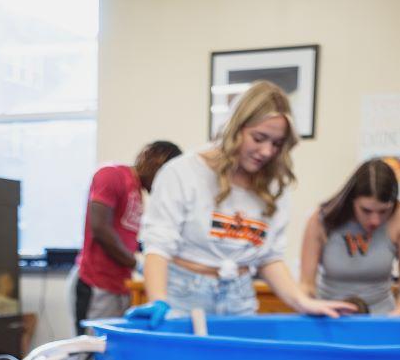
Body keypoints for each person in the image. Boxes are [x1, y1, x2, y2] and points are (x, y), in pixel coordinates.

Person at [137, 81, 356, 321]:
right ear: (236, 127)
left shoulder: (273, 186)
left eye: (276, 143)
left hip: (239, 296)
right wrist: (158, 300)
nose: (266, 151)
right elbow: (158, 245)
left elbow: (269, 257)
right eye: (259, 138)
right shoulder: (183, 172)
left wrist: (302, 302)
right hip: (183, 295)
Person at [75, 140, 183, 333]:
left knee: (111, 350)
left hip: (120, 284)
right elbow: (100, 228)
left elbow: (127, 237)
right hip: (96, 282)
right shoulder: (111, 174)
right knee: (89, 352)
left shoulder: (137, 192)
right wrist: (136, 264)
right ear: (154, 163)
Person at [299, 159, 400, 315]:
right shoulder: (321, 219)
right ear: (351, 201)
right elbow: (306, 284)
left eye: (383, 211)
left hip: (382, 317)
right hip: (331, 316)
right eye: (366, 210)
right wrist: (310, 307)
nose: (375, 220)